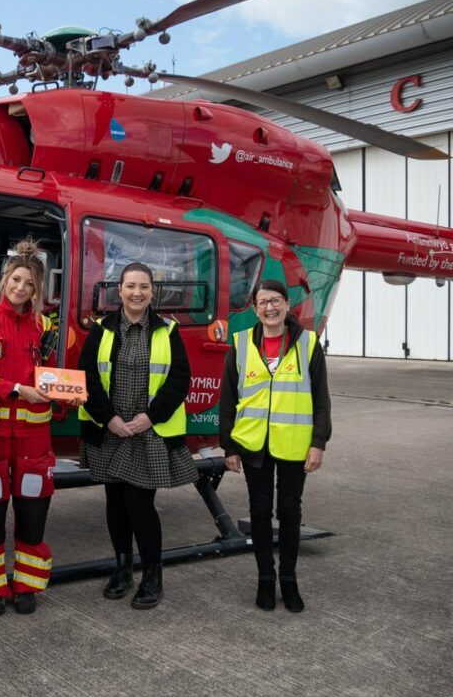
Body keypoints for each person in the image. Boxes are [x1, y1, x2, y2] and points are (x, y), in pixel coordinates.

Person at [77, 262, 196, 609]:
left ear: (152, 292)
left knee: (140, 505)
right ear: (119, 290)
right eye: (130, 286)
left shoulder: (168, 332)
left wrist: (150, 417)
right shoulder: (101, 330)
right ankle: (123, 569)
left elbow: (180, 381)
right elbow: (87, 377)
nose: (137, 293)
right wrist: (109, 419)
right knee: (115, 504)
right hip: (111, 432)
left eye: (144, 286)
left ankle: (152, 576)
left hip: (148, 433)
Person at [0, 239, 66, 616]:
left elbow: (52, 375)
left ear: (37, 290)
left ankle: (27, 585)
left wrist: (65, 394)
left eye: (30, 284)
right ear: (4, 280)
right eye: (16, 280)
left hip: (34, 437)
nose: (21, 288)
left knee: (33, 512)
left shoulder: (45, 326)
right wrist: (16, 389)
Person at [219, 278, 331, 613]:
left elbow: (321, 399)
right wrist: (229, 446)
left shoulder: (308, 344)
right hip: (254, 443)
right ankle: (265, 579)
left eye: (275, 301)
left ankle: (289, 580)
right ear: (255, 309)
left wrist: (318, 442)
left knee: (290, 512)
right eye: (263, 303)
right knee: (259, 512)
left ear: (286, 304)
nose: (270, 308)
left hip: (294, 444)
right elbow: (228, 399)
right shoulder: (241, 344)